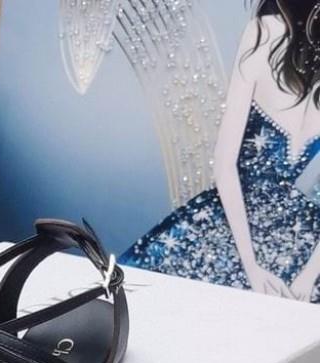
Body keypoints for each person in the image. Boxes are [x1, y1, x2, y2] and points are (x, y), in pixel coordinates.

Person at [123, 1, 320, 303]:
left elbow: (224, 165)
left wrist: (251, 265)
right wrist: (308, 275)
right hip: (300, 236)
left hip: (235, 221)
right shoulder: (265, 32)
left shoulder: (261, 31)